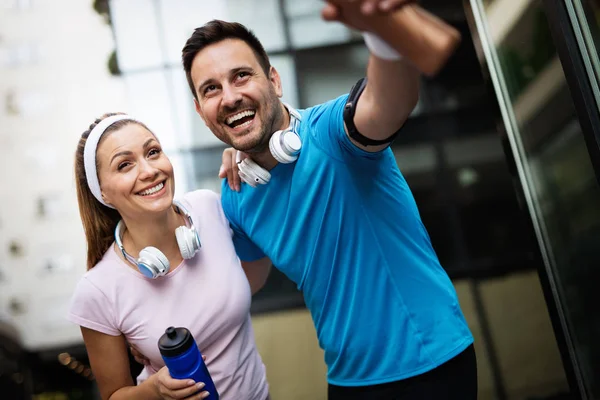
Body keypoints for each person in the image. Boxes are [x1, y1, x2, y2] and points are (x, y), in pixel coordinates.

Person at [137, 1, 477, 399]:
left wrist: (380, 33)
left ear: (274, 81)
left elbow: (390, 103)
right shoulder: (236, 196)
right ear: (201, 111)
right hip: (347, 381)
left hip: (429, 365)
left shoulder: (334, 133)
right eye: (211, 89)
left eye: (241, 76)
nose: (229, 98)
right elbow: (242, 285)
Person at [67, 113, 271, 400]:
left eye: (153, 152)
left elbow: (252, 280)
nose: (149, 170)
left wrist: (254, 179)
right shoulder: (97, 290)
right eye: (125, 165)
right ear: (102, 192)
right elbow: (114, 395)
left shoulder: (209, 207)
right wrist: (154, 389)